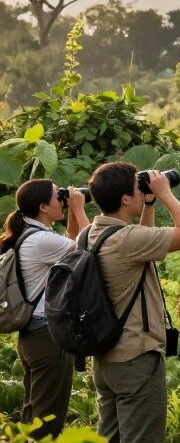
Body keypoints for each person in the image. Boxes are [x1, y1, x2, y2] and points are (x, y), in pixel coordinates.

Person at [87, 162, 180, 443]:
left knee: (110, 437)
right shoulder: (126, 240)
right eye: (136, 189)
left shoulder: (91, 233)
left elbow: (143, 249)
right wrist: (165, 193)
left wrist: (148, 205)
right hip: (135, 358)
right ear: (126, 199)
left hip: (106, 357)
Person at [0, 179, 88, 438]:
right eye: (56, 196)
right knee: (48, 416)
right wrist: (79, 208)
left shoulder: (32, 235)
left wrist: (71, 210)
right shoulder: (40, 241)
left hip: (34, 336)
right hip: (47, 336)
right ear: (43, 207)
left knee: (34, 410)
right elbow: (91, 246)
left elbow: (71, 243)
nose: (61, 199)